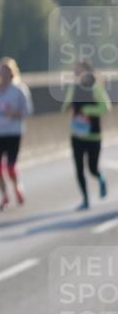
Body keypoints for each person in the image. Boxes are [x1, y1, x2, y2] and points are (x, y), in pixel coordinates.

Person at [0, 57, 33, 210]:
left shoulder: (19, 91)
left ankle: (17, 187)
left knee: (10, 167)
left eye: (7, 72)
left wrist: (14, 113)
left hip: (13, 133)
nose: (3, 75)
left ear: (13, 74)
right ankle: (5, 196)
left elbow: (27, 111)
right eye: (1, 72)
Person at [62, 59, 112, 210]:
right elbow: (66, 105)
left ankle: (101, 178)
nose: (78, 73)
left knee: (92, 168)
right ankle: (85, 200)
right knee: (78, 169)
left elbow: (106, 107)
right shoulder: (74, 88)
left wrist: (88, 111)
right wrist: (67, 108)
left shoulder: (96, 88)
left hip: (93, 135)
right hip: (77, 135)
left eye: (81, 70)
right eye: (76, 70)